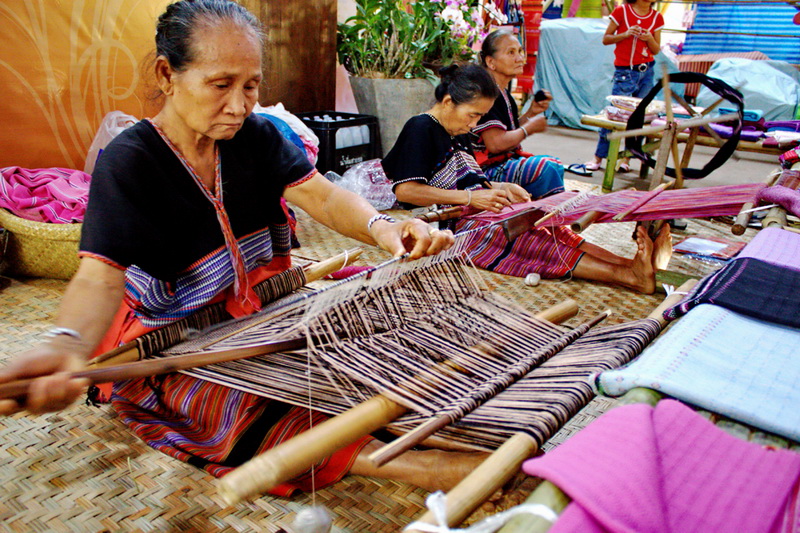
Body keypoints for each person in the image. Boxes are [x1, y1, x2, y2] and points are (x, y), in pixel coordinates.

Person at [0, 0, 494, 497]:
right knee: (232, 401)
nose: (239, 105)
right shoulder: (131, 161)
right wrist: (66, 345)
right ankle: (398, 462)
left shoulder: (256, 135)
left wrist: (384, 227)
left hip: (266, 308)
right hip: (176, 336)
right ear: (167, 75)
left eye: (251, 86)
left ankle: (422, 423)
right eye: (221, 84)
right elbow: (98, 277)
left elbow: (322, 195)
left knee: (366, 348)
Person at [382, 63, 672, 294]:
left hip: (471, 209)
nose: (474, 124)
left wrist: (502, 187)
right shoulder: (421, 128)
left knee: (544, 224)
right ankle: (625, 275)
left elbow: (468, 179)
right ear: (448, 102)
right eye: (472, 115)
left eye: (479, 117)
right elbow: (406, 191)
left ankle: (630, 265)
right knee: (515, 236)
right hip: (445, 224)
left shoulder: (457, 130)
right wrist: (471, 198)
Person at [473, 29, 571, 199]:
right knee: (547, 167)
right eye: (511, 53)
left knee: (553, 165)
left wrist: (531, 113)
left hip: (503, 162)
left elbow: (509, 132)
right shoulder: (486, 93)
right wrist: (528, 129)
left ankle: (539, 209)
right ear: (491, 62)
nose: (520, 58)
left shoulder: (503, 93)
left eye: (520, 51)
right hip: (483, 171)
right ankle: (548, 211)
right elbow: (496, 144)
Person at [584, 0, 664, 173]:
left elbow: (656, 50)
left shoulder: (656, 17)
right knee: (614, 115)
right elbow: (606, 39)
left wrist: (649, 38)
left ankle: (627, 158)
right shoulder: (622, 12)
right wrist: (626, 34)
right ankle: (599, 156)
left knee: (640, 117)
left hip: (647, 72)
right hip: (625, 72)